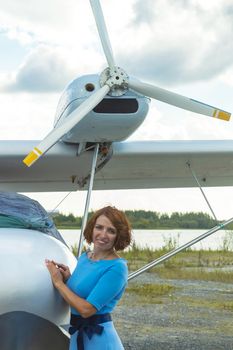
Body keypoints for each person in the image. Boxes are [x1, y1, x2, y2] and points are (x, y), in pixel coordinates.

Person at [45, 206, 132, 350]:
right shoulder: (85, 258)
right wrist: (68, 279)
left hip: (100, 341)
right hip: (77, 334)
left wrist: (59, 283)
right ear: (92, 229)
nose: (103, 234)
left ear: (119, 236)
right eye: (99, 227)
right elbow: (84, 291)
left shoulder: (117, 268)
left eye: (111, 231)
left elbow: (86, 309)